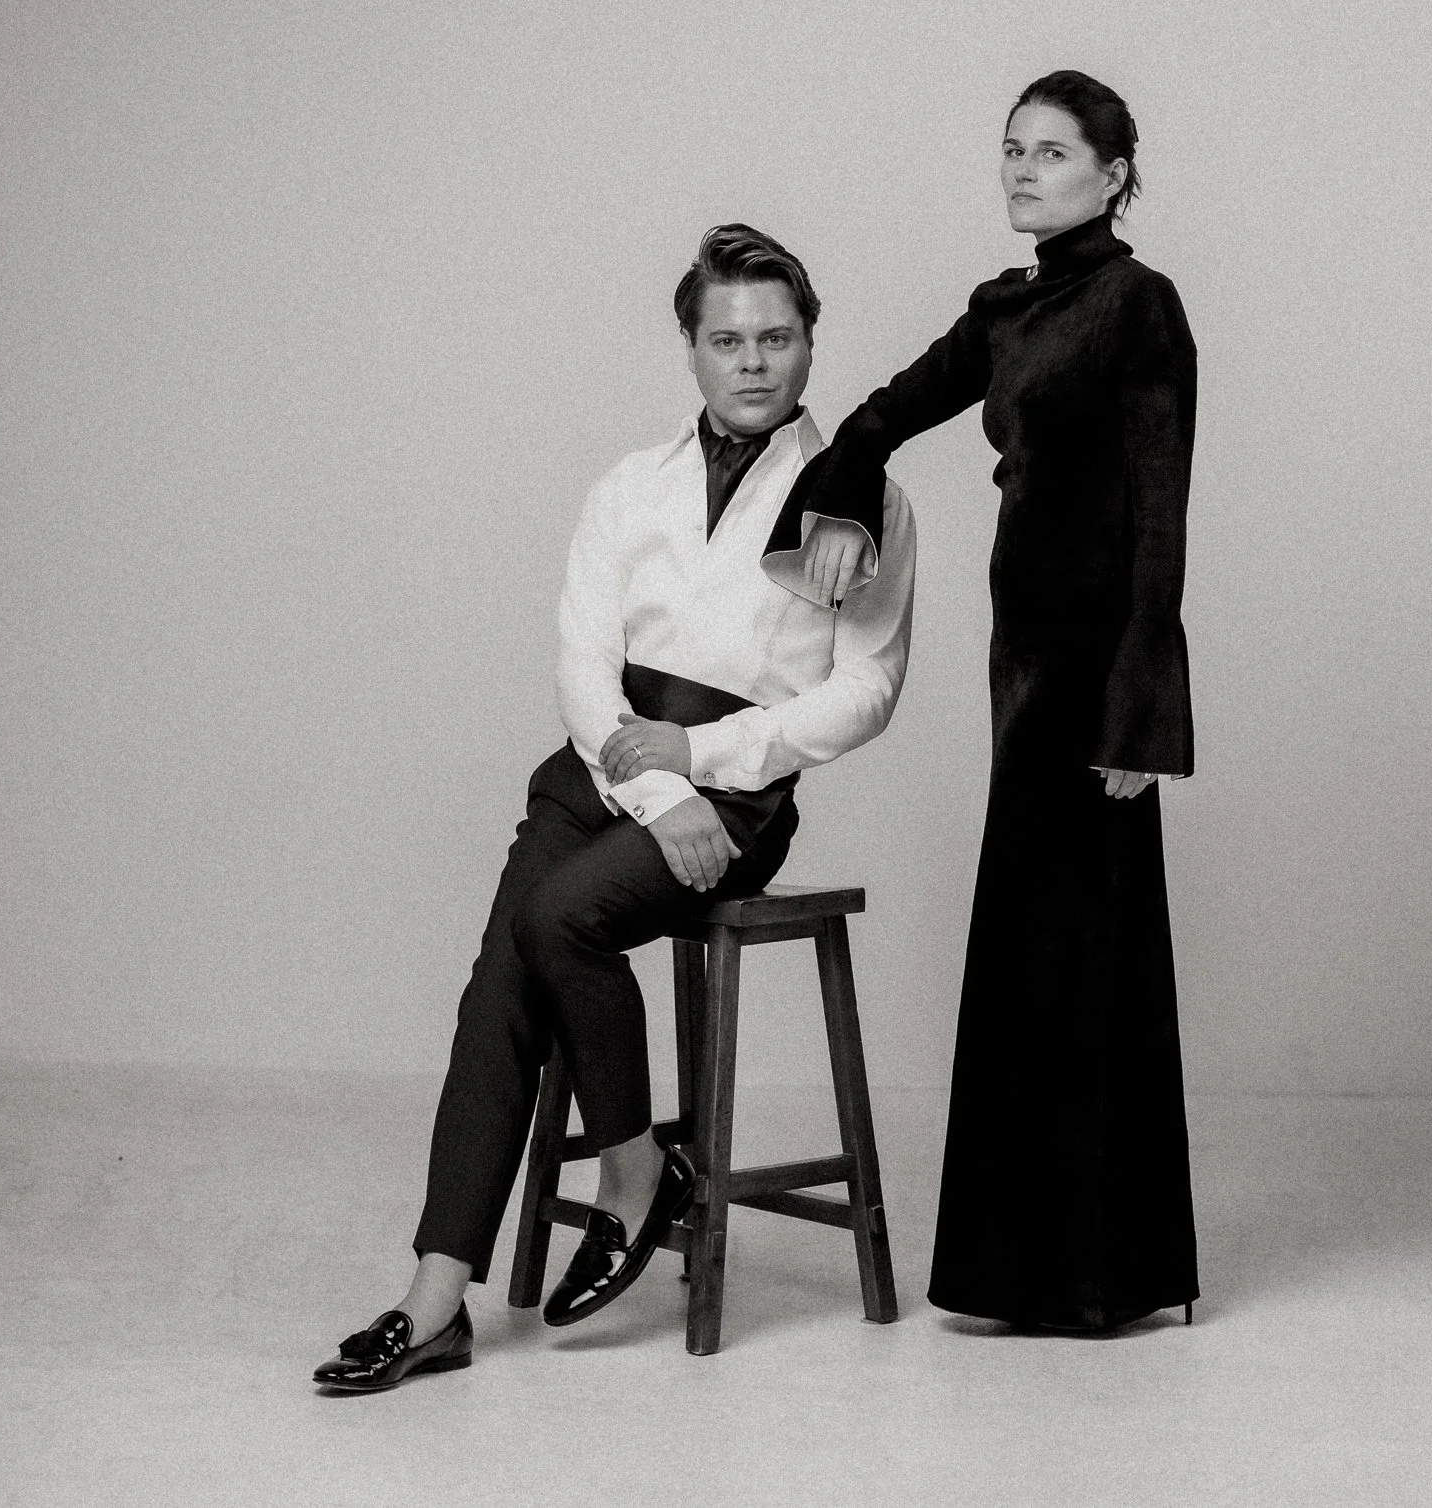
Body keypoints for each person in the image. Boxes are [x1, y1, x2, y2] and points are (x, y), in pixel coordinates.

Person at [313, 223, 916, 1391]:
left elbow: (867, 691)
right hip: (600, 773)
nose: (752, 361)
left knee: (558, 920)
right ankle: (434, 1301)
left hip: (736, 798)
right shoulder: (629, 485)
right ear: (690, 347)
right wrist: (654, 782)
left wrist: (706, 758)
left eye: (775, 337)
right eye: (726, 339)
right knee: (500, 981)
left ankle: (634, 1169)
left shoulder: (862, 499)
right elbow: (583, 669)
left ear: (809, 342)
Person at [762, 71, 1198, 1333]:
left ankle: (1105, 1277)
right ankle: (1016, 1274)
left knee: (1092, 952)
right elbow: (878, 416)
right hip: (1021, 669)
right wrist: (841, 494)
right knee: (1024, 953)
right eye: (1011, 148)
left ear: (1113, 173)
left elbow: (1159, 510)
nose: (1021, 169)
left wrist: (1141, 708)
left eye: (1051, 152)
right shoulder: (1004, 308)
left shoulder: (1138, 304)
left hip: (1096, 674)